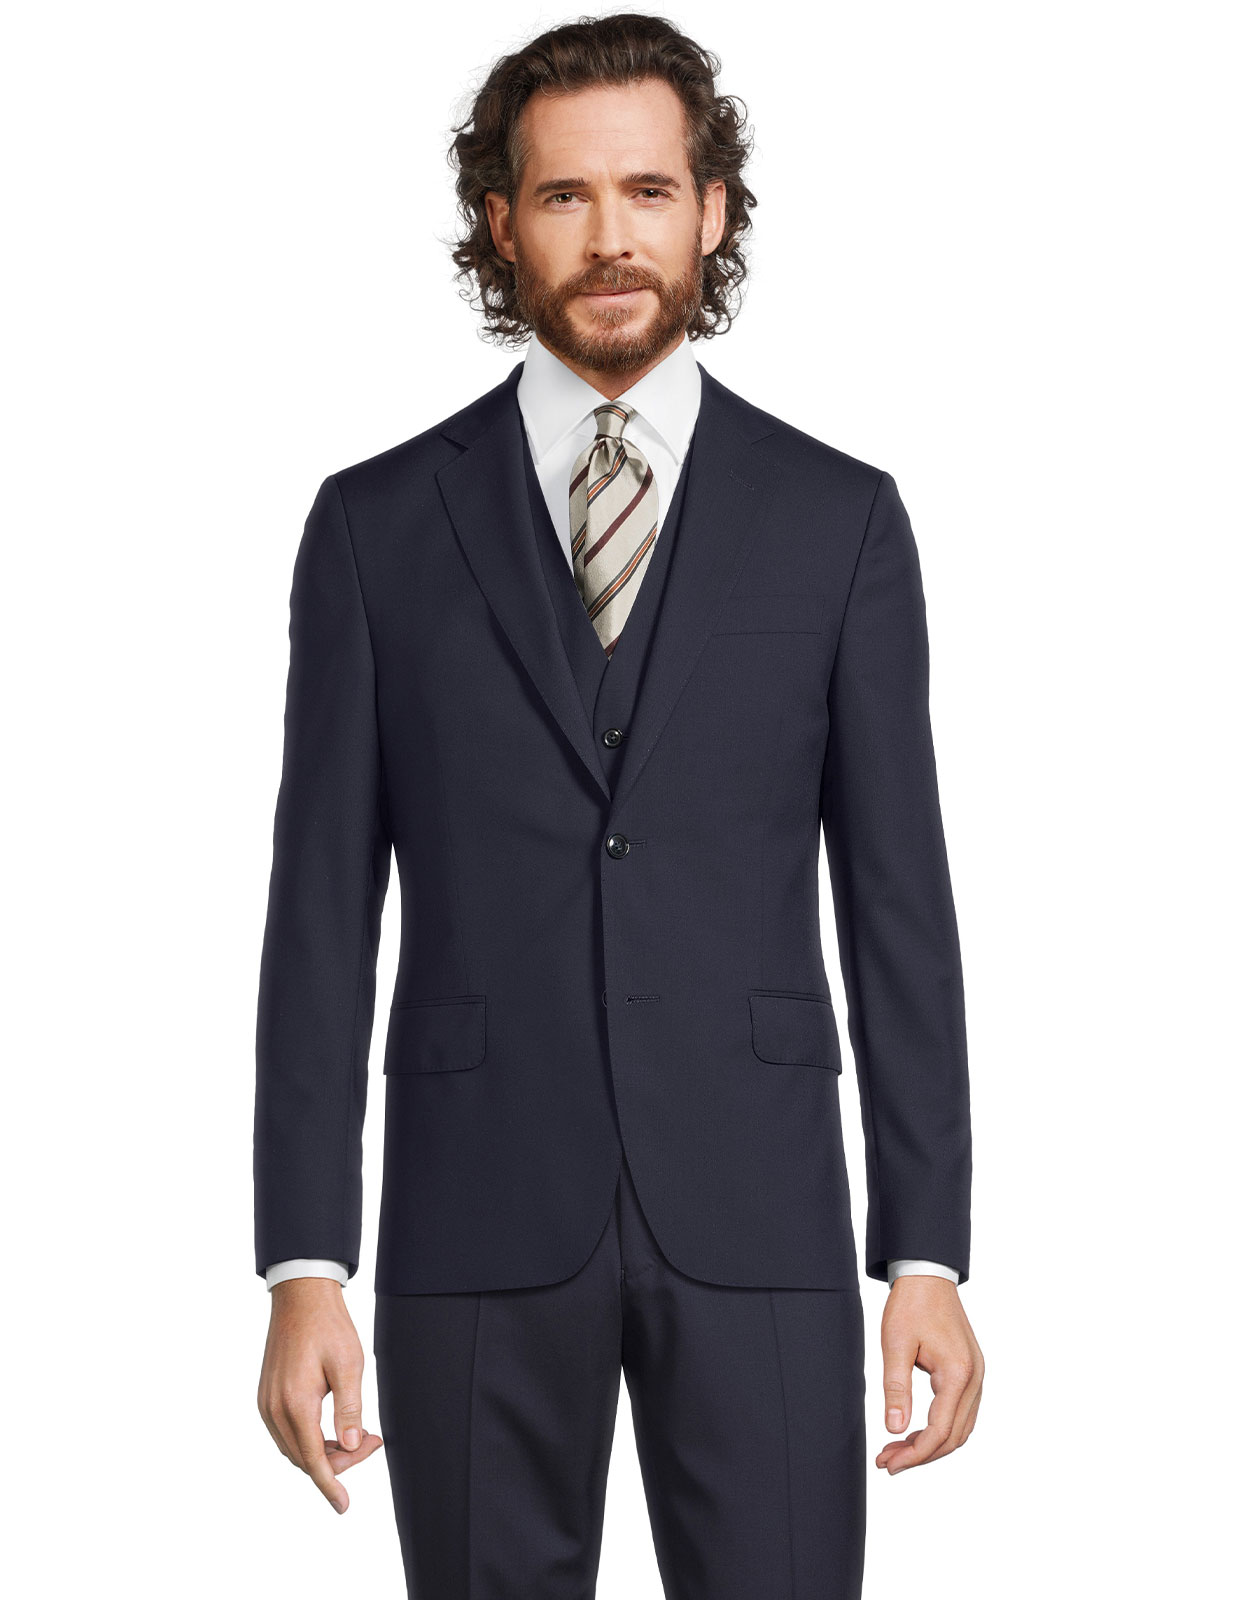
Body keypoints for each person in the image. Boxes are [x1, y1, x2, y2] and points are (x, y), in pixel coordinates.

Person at [254, 13, 983, 1597]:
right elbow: (318, 913)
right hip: (472, 1209)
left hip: (762, 1205)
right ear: (501, 221)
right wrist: (305, 1264)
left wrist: (924, 1252)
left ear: (711, 210)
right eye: (565, 196)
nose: (610, 239)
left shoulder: (842, 522)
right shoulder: (376, 527)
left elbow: (899, 906)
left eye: (648, 190)